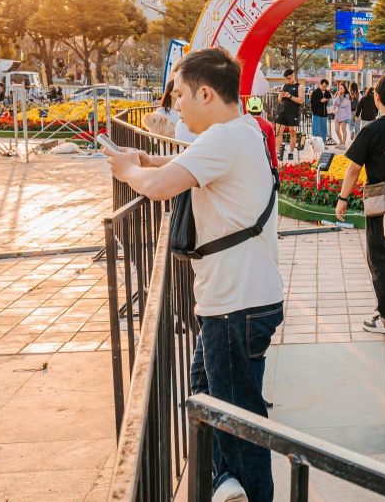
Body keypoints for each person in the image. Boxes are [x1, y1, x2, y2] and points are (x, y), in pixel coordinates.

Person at [105, 49, 283, 502]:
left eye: (180, 94)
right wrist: (143, 159)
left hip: (234, 304)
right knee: (207, 393)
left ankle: (244, 488)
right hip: (238, 300)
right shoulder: (241, 133)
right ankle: (226, 484)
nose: (176, 104)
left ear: (206, 92)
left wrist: (129, 171)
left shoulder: (224, 139)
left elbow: (162, 188)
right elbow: (180, 168)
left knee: (238, 423)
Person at [335, 75, 385, 333]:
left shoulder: (371, 130)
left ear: (376, 98)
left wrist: (343, 198)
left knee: (379, 257)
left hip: (380, 201)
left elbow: (354, 169)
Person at [275, 69, 303, 161]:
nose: (288, 80)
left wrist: (289, 96)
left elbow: (301, 100)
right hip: (283, 112)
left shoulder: (300, 87)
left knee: (292, 132)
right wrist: (280, 95)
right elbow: (279, 101)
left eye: (289, 78)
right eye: (286, 79)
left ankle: (291, 152)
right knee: (278, 132)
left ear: (293, 75)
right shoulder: (285, 86)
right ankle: (278, 152)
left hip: (293, 112)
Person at [245, 96, 278, 168]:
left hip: (246, 161)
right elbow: (272, 147)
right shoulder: (268, 125)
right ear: (261, 110)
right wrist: (275, 165)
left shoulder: (242, 124)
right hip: (264, 161)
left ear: (247, 109)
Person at [309, 78, 332, 142]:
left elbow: (330, 102)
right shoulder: (315, 92)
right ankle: (316, 143)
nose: (324, 87)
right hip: (316, 114)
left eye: (325, 86)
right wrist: (320, 101)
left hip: (324, 114)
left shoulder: (327, 93)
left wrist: (328, 100)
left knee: (323, 130)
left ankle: (323, 144)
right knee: (316, 130)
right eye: (323, 86)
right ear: (320, 85)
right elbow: (312, 102)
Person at [331, 81, 352, 149]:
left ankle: (343, 143)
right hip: (337, 115)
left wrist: (339, 98)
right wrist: (337, 96)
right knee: (336, 130)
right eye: (339, 88)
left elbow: (342, 104)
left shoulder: (347, 96)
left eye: (342, 88)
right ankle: (340, 142)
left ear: (345, 89)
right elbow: (334, 103)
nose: (340, 90)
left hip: (345, 115)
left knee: (343, 129)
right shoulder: (337, 95)